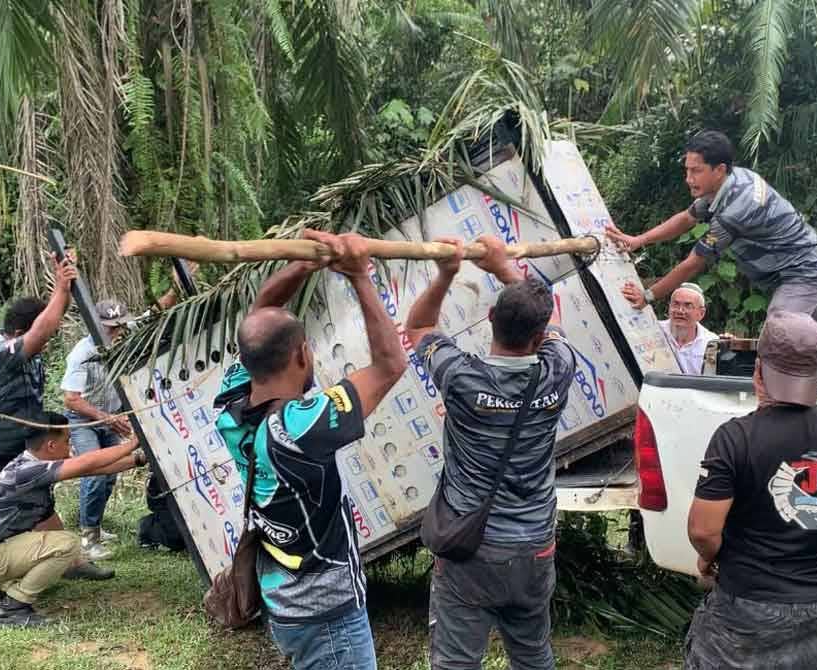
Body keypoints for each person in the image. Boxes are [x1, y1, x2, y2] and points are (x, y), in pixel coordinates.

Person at [213, 229, 406, 670]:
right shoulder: (299, 428)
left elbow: (260, 317)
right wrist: (358, 275)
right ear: (303, 355)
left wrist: (306, 262)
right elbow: (390, 365)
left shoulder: (231, 404)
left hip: (284, 601)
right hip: (328, 614)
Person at [405, 234, 577, 670]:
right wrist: (503, 266)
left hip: (472, 550)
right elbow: (551, 319)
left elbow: (419, 328)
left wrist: (446, 274)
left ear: (489, 318)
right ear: (540, 337)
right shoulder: (558, 370)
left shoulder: (462, 379)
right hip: (535, 547)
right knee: (533, 654)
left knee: (456, 662)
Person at [0, 255, 109, 595]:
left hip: (16, 444)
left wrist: (63, 286)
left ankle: (73, 562)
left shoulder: (32, 355)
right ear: (20, 333)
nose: (46, 342)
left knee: (40, 498)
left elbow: (44, 327)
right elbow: (42, 329)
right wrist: (60, 288)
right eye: (40, 337)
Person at [685, 311, 817, 669]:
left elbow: (703, 530)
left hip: (747, 608)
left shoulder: (734, 438)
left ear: (758, 371)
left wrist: (708, 559)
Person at [606, 131, 817, 334]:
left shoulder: (735, 211)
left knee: (780, 333)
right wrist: (638, 240)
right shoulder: (733, 180)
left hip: (804, 271)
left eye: (696, 171)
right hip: (802, 264)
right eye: (687, 170)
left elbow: (693, 263)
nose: (688, 179)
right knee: (810, 346)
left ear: (719, 169)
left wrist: (647, 296)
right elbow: (687, 218)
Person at [0, 412, 147, 628]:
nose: (70, 446)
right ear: (51, 446)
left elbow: (93, 469)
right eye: (67, 441)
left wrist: (139, 459)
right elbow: (86, 463)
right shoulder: (26, 471)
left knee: (62, 541)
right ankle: (13, 609)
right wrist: (134, 443)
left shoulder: (35, 466)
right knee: (68, 543)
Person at [61, 300, 136, 561]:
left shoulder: (122, 337)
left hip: (110, 418)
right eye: (110, 327)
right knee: (94, 474)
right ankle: (88, 540)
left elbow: (152, 314)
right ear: (95, 325)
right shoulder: (81, 354)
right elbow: (71, 399)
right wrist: (106, 418)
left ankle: (96, 525)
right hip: (84, 421)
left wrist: (174, 289)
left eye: (119, 326)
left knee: (111, 474)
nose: (116, 332)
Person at [633, 282, 717, 375]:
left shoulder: (711, 343)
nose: (680, 311)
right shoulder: (653, 330)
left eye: (688, 306)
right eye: (676, 304)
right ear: (669, 307)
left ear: (701, 313)